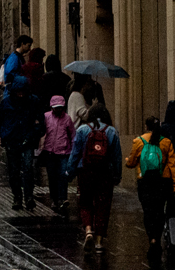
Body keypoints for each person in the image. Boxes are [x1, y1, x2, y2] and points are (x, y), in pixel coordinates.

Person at [65, 104, 123, 253]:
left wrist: (69, 172)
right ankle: (99, 242)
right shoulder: (111, 131)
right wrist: (117, 174)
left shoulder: (82, 130)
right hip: (105, 173)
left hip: (85, 171)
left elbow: (75, 153)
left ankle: (88, 230)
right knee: (103, 205)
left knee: (85, 202)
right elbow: (117, 156)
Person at [126, 115, 175, 250]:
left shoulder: (138, 141)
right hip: (162, 182)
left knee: (148, 211)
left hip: (145, 182)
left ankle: (151, 237)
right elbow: (173, 166)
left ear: (146, 127)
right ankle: (157, 236)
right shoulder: (166, 142)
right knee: (159, 210)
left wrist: (128, 160)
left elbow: (131, 163)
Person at [0, 73, 44, 211]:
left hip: (27, 139)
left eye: (23, 92)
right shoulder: (7, 102)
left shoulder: (33, 101)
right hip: (12, 139)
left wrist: (36, 133)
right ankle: (17, 197)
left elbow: (40, 121)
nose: (20, 95)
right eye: (18, 92)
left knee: (28, 169)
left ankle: (28, 197)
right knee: (14, 171)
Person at [38, 95, 75, 214]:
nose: (58, 110)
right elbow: (42, 131)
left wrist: (73, 150)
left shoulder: (67, 119)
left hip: (64, 151)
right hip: (50, 151)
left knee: (63, 175)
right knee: (52, 176)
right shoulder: (46, 117)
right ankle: (54, 199)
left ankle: (63, 198)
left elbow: (72, 135)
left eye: (60, 108)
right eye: (55, 108)